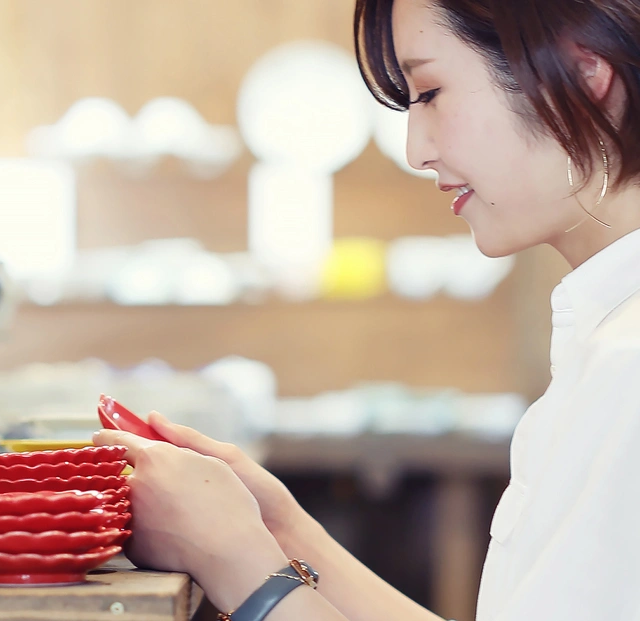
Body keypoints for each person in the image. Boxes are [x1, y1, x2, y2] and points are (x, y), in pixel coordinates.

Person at [93, 0, 640, 619]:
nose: (415, 149)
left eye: (430, 91)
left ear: (585, 76)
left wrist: (229, 555)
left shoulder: (628, 365)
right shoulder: (607, 340)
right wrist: (281, 529)